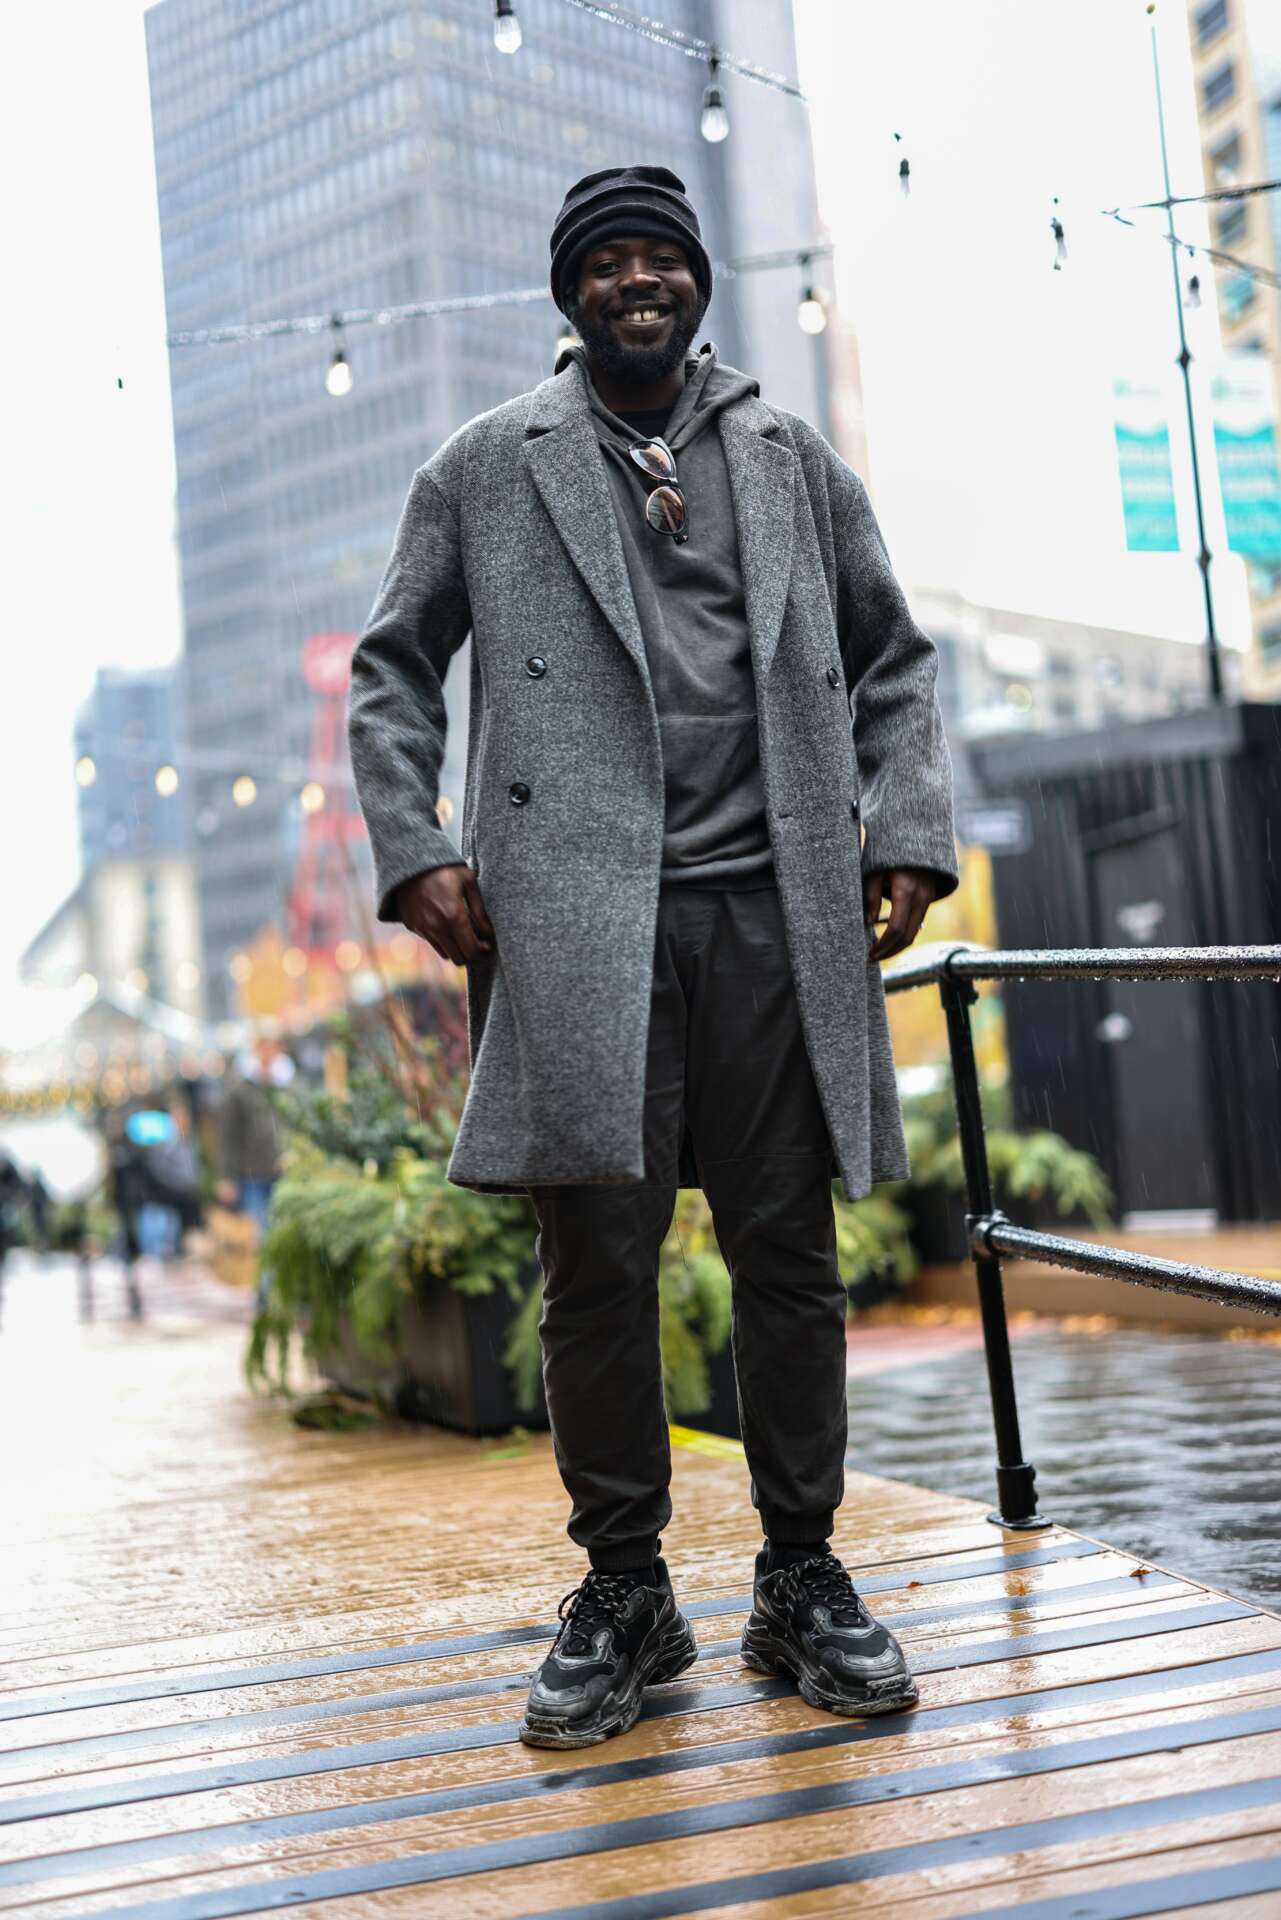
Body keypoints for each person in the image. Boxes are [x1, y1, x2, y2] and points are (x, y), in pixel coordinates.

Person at [348, 166, 958, 1750]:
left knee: (789, 1262)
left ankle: (800, 1577)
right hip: (572, 921)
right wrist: (413, 849)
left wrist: (905, 828)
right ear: (568, 294)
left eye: (660, 259)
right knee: (596, 1272)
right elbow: (390, 667)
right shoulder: (484, 467)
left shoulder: (788, 459)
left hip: (777, 914)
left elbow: (896, 660)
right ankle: (624, 1590)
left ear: (696, 282)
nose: (637, 281)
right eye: (606, 261)